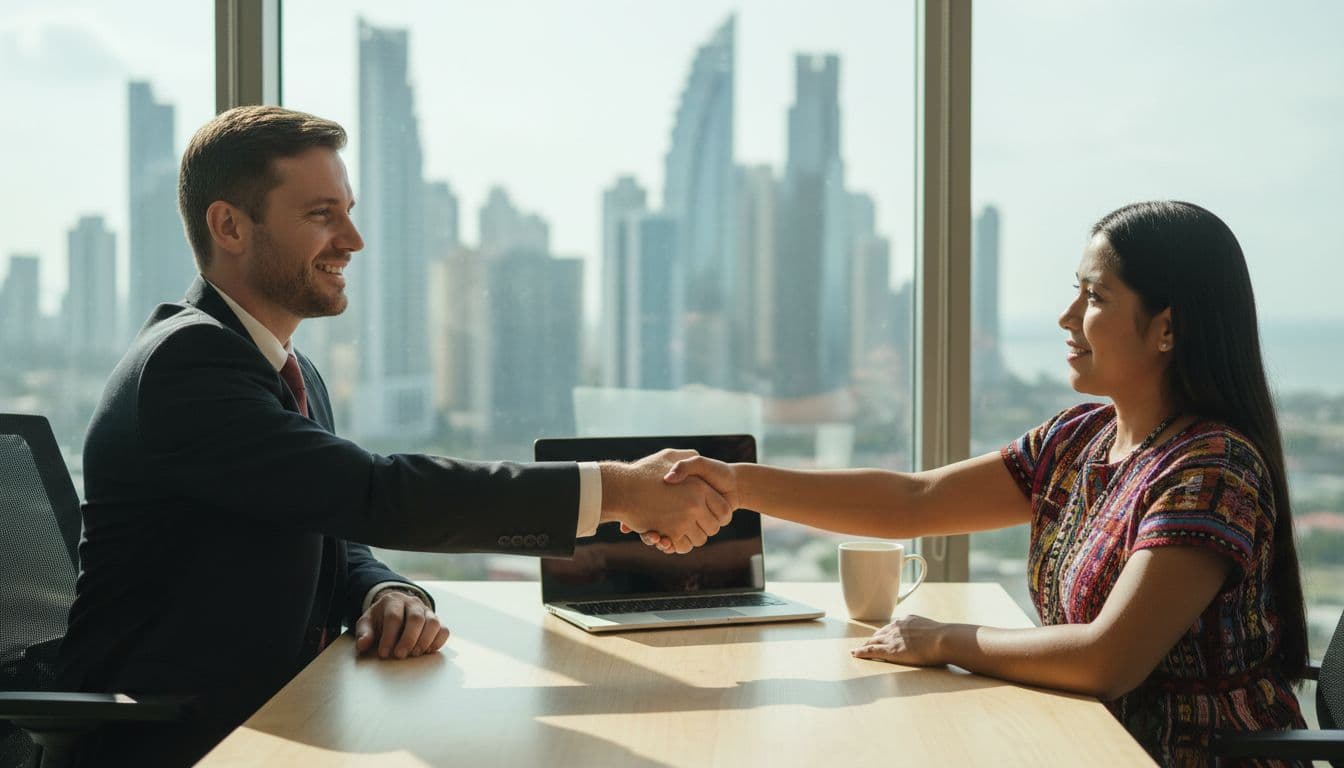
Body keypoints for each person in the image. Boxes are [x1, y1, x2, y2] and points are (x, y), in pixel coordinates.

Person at [54, 105, 731, 767]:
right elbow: (374, 492)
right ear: (229, 226)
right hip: (178, 741)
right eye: (322, 215)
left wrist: (384, 591)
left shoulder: (287, 370)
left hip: (282, 720)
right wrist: (615, 491)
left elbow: (331, 527)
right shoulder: (187, 367)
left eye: (348, 210)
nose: (353, 239)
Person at [656, 201, 1310, 767]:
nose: (1065, 316)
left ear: (1168, 326)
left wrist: (945, 640)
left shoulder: (1212, 471)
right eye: (1075, 290)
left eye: (1096, 297)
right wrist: (737, 484)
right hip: (1082, 740)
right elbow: (916, 500)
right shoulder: (1078, 438)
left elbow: (1108, 660)